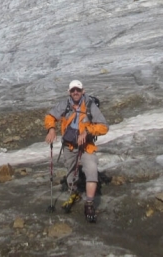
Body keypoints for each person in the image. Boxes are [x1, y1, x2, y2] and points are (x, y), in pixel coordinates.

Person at [44, 80, 108, 222]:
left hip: (87, 146)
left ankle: (89, 204)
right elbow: (50, 116)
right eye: (73, 90)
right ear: (69, 92)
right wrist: (51, 129)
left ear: (83, 91)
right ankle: (74, 192)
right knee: (70, 173)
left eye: (78, 90)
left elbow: (104, 127)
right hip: (69, 145)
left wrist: (87, 130)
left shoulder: (90, 105)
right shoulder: (65, 104)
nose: (75, 92)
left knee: (91, 169)